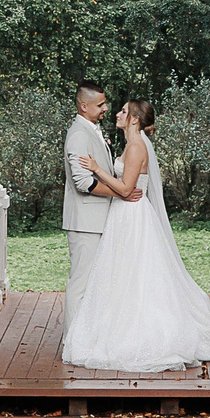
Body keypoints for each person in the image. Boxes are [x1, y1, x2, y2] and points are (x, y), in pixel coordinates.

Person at [61, 99, 210, 372]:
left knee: (138, 273)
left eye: (122, 111)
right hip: (123, 215)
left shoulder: (136, 148)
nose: (117, 114)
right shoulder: (130, 145)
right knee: (122, 275)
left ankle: (142, 332)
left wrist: (97, 169)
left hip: (132, 215)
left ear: (134, 119)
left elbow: (124, 189)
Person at [61, 80, 137, 312]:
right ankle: (71, 344)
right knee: (81, 284)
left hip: (97, 220)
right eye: (100, 105)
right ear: (84, 106)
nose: (106, 109)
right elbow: (84, 182)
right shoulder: (78, 136)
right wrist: (121, 193)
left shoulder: (90, 130)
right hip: (85, 223)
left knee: (95, 284)